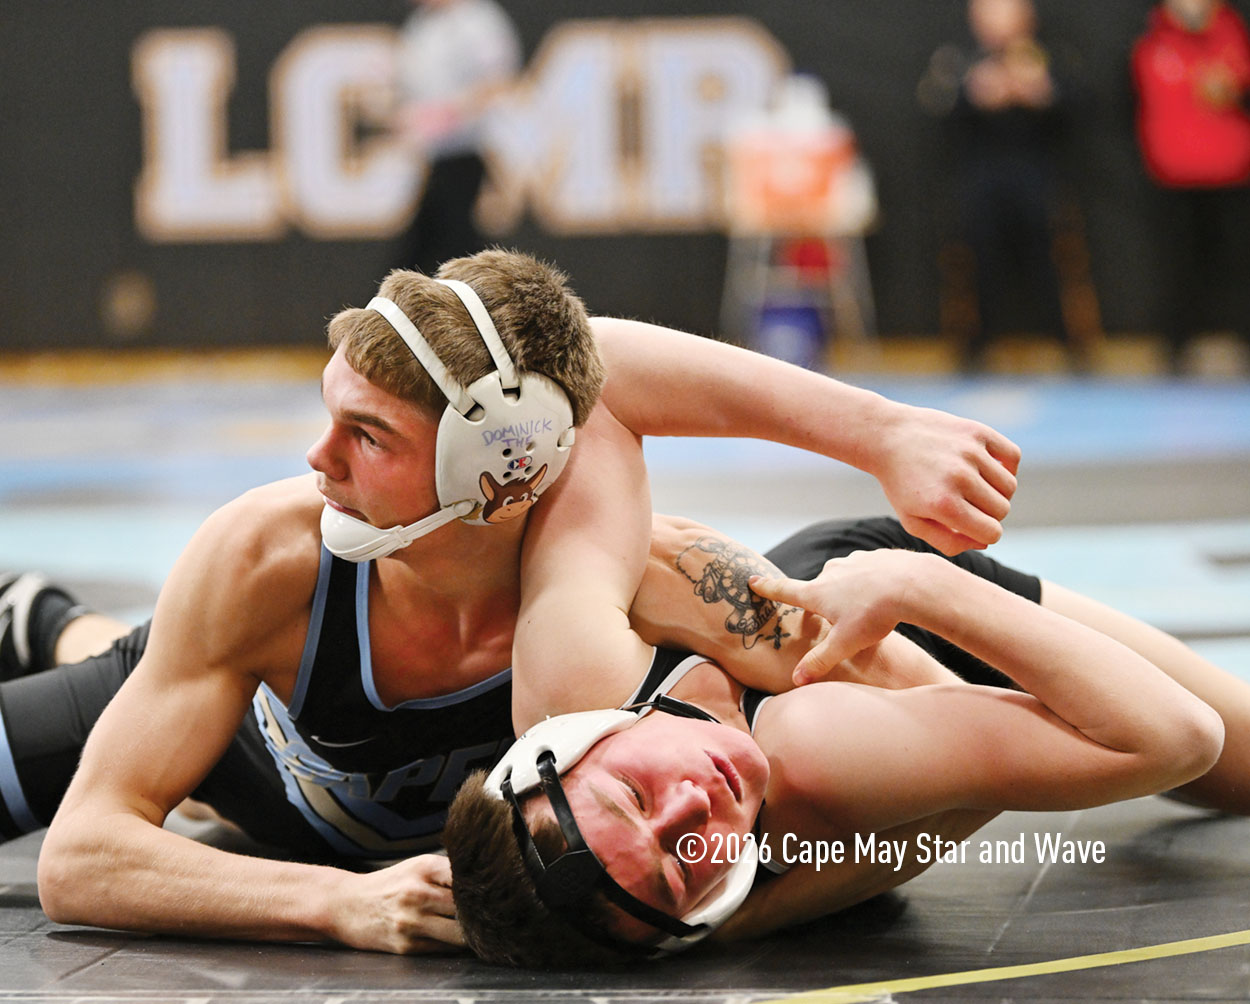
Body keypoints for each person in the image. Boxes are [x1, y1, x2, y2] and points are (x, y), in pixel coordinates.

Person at [0, 248, 1020, 953]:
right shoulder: (266, 555)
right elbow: (81, 858)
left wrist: (739, 914)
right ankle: (51, 626)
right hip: (253, 761)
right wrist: (338, 903)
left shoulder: (637, 571)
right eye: (330, 416)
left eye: (368, 436)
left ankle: (53, 623)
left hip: (322, 777)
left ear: (486, 474)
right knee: (147, 723)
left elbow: (971, 763)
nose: (316, 458)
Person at [445, 513, 1242, 967]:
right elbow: (1175, 738)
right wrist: (922, 588)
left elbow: (602, 378)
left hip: (856, 590)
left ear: (579, 737)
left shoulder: (568, 661)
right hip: (907, 653)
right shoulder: (817, 761)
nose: (694, 806)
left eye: (633, 793)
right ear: (707, 912)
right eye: (683, 867)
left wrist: (872, 439)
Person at [920, 0, 1085, 371]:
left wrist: (1042, 93)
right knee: (978, 250)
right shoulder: (958, 58)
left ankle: (1064, 342)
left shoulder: (1050, 55)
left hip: (1036, 173)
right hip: (981, 175)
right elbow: (936, 111)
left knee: (1048, 252)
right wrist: (973, 95)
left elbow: (1079, 106)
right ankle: (978, 345)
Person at [1132, 0, 1250, 373]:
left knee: (1233, 264)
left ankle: (1236, 340)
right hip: (1173, 173)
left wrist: (1235, 89)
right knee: (1178, 266)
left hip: (1232, 172)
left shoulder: (1235, 34)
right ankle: (1179, 346)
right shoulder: (1150, 40)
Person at [394, 0, 521, 274]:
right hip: (438, 157)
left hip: (475, 152)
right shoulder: (420, 26)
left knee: (455, 246)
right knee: (433, 244)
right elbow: (414, 91)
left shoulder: (478, 20)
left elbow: (497, 83)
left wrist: (450, 114)